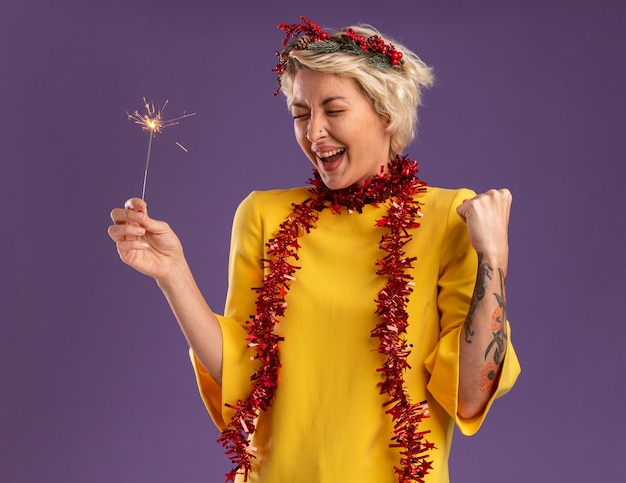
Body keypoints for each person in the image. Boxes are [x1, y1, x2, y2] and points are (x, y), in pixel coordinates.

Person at [108, 16, 520, 483]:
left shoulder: (451, 217)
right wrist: (173, 273)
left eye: (333, 110)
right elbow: (241, 376)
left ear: (386, 111)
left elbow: (469, 395)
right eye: (301, 114)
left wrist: (494, 258)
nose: (314, 132)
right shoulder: (263, 214)